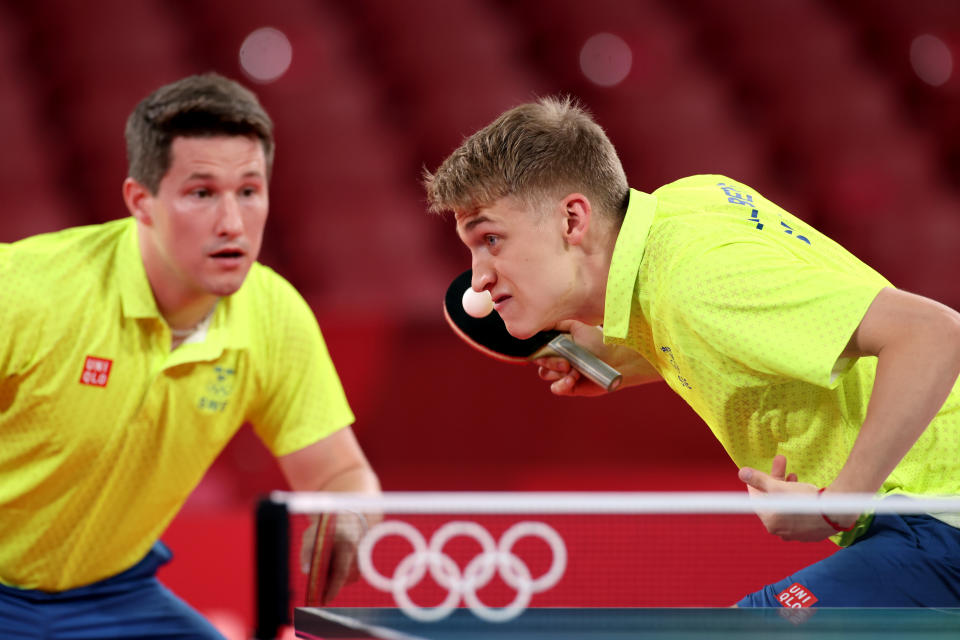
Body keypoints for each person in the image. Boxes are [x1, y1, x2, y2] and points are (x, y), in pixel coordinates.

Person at [423, 96, 960, 607]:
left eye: (491, 240)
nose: (480, 280)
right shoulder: (689, 204)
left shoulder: (697, 283)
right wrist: (622, 353)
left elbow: (933, 334)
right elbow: (733, 329)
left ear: (572, 220)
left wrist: (840, 503)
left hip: (940, 513)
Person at [0, 73, 380, 638]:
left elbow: (342, 472)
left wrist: (348, 516)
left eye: (249, 191)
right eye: (202, 193)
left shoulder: (273, 315)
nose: (232, 223)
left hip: (113, 595)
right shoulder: (28, 291)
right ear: (141, 202)